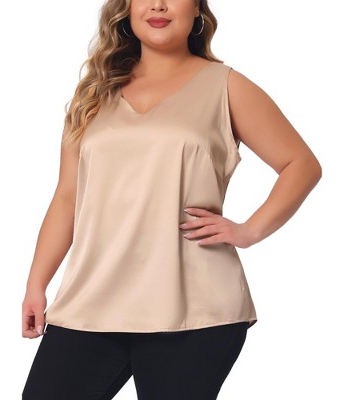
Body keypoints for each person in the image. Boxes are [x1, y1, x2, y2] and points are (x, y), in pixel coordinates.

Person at [21, 0, 322, 399]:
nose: (159, 4)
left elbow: (301, 164)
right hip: (91, 302)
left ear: (197, 9)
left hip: (194, 309)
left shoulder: (225, 86)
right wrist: (37, 283)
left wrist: (249, 231)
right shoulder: (94, 93)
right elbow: (67, 198)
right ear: (127, 8)